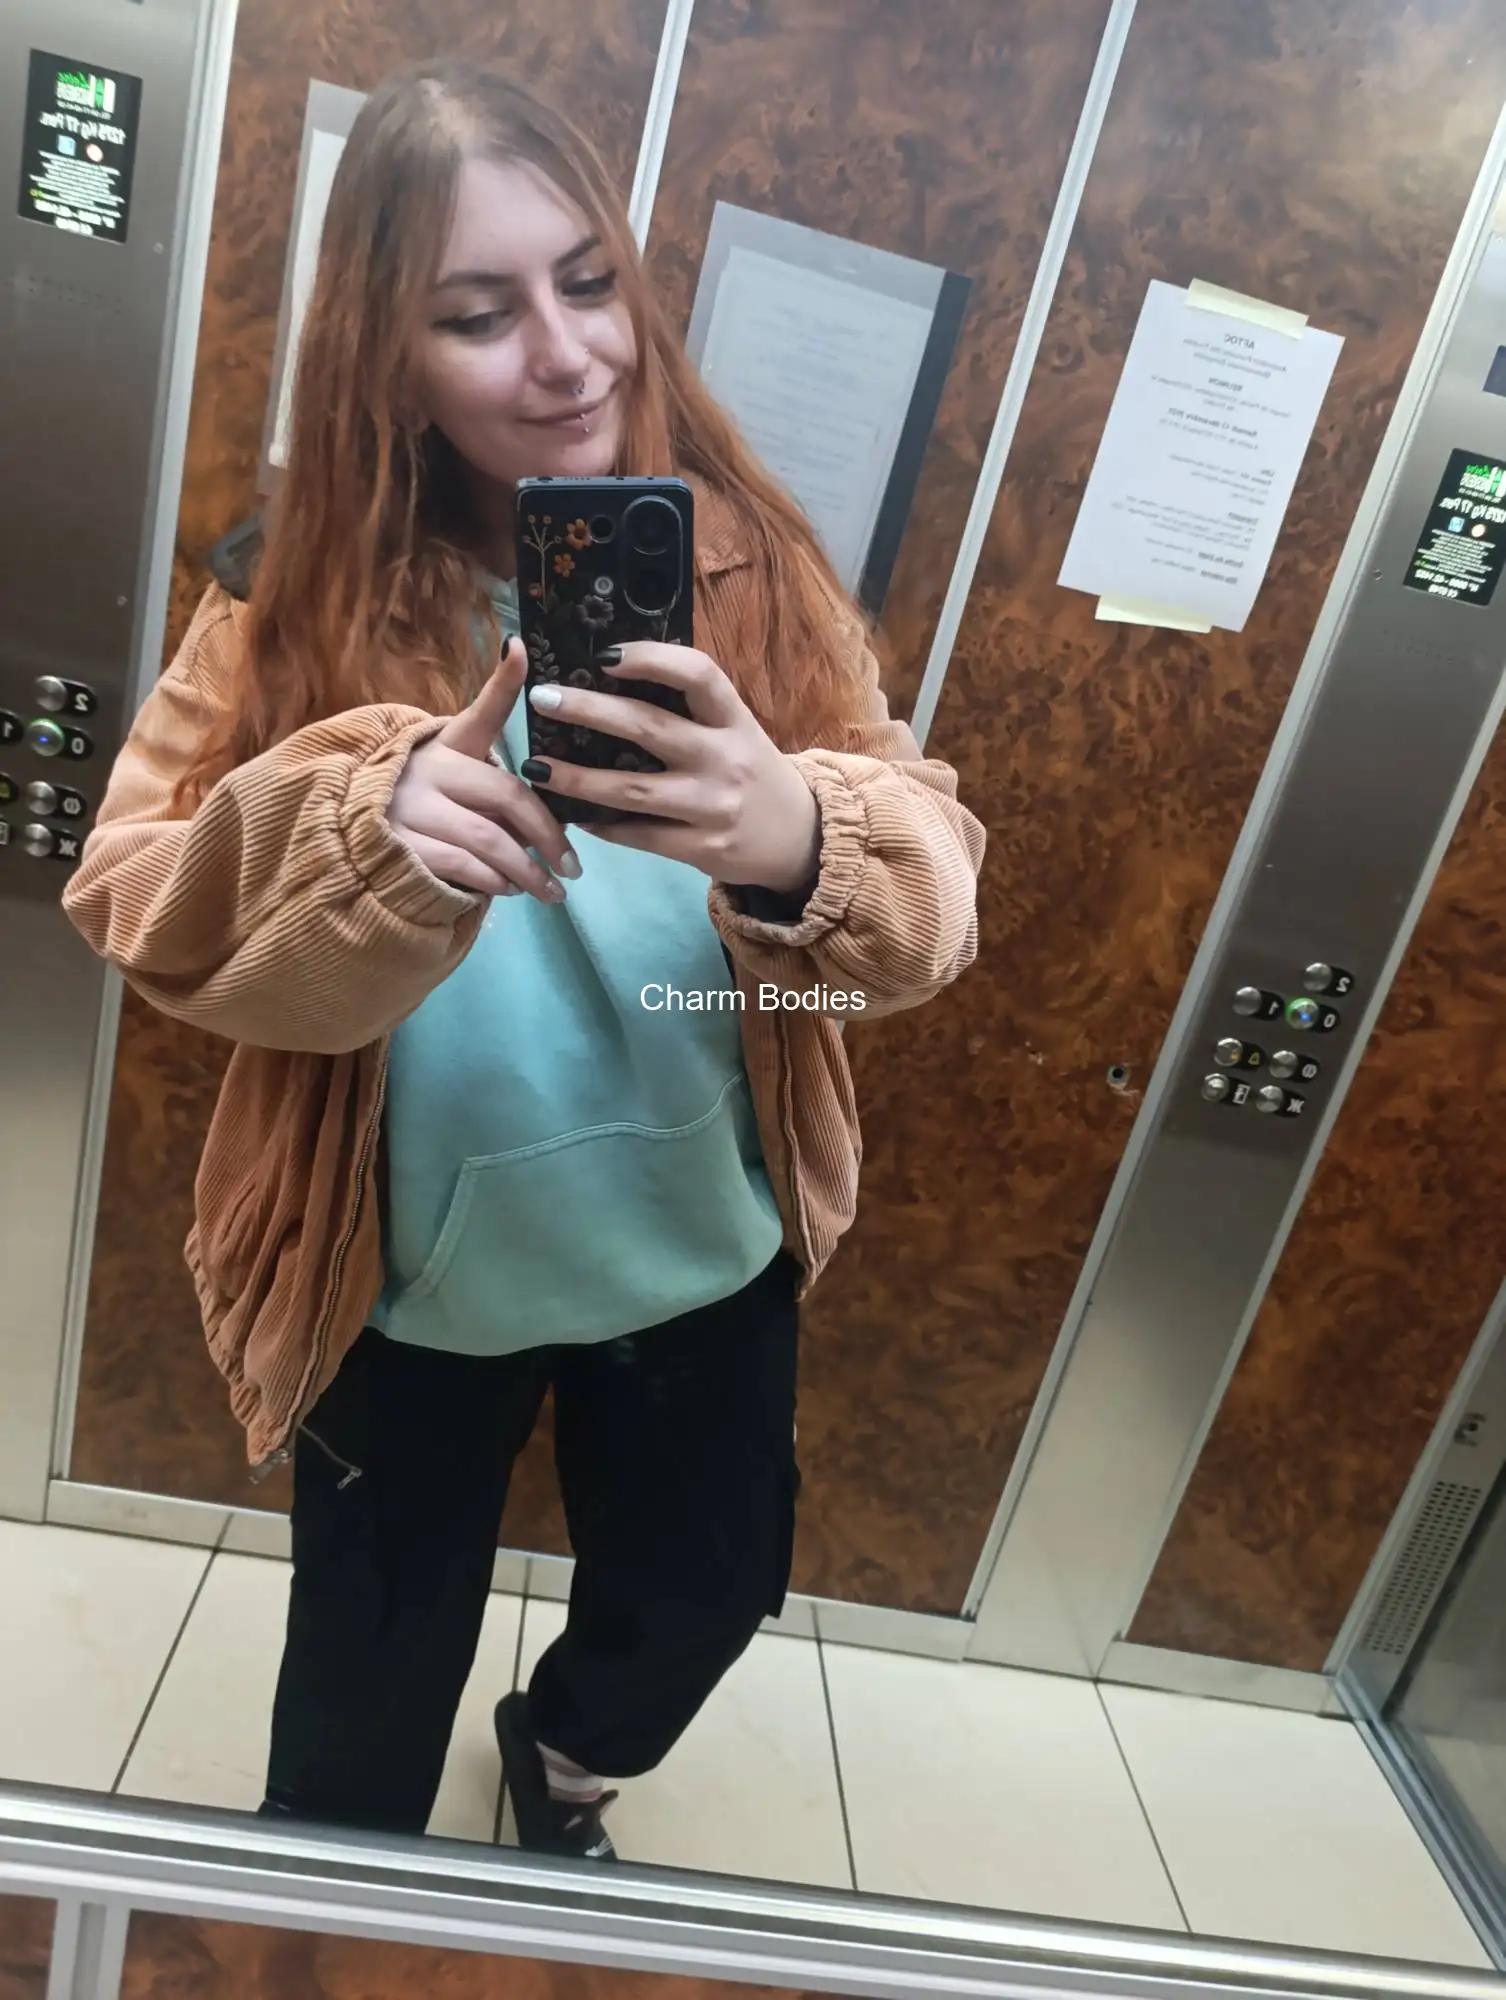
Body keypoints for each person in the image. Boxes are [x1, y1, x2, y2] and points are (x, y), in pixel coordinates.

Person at [63, 58, 984, 1862]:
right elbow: (134, 898)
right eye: (477, 314)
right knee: (361, 1687)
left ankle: (557, 1765)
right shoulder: (288, 602)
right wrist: (359, 832)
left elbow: (932, 892)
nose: (565, 356)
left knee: (705, 1592)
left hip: (703, 1242)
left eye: (587, 282)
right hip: (399, 1277)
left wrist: (797, 835)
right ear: (385, 357)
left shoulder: (760, 573)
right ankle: (335, 1908)